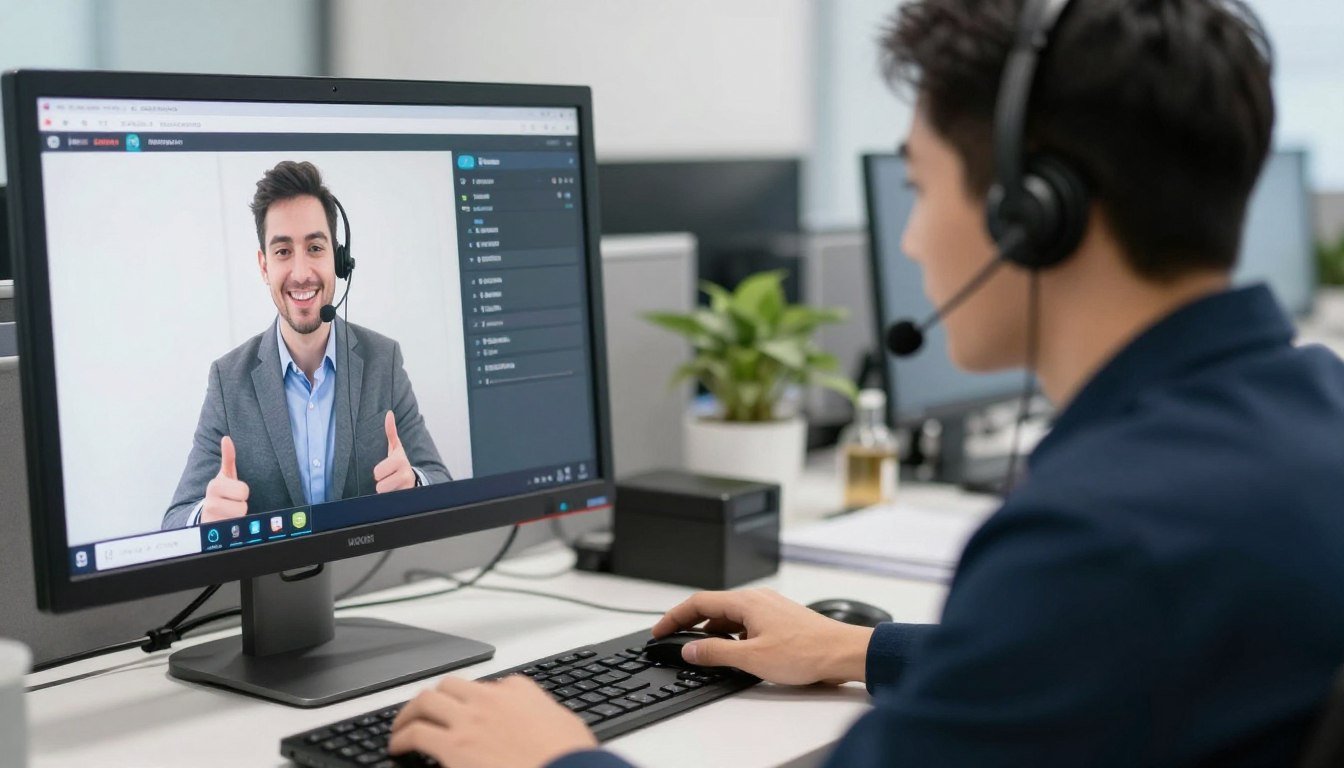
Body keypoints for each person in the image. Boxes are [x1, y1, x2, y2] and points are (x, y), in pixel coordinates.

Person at [386, 0, 1344, 765]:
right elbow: (1120, 661)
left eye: (921, 190)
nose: (914, 237)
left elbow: (1096, 622)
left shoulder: (1101, 538)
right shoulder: (1312, 411)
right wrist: (860, 649)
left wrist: (550, 761)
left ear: (1034, 213)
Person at [163, 161, 450, 528]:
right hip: (274, 583)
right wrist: (206, 515)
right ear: (264, 266)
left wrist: (414, 484)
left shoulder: (384, 361)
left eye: (315, 247)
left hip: (368, 578)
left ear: (338, 260)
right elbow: (174, 520)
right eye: (283, 251)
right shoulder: (227, 379)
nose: (300, 273)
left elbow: (441, 483)